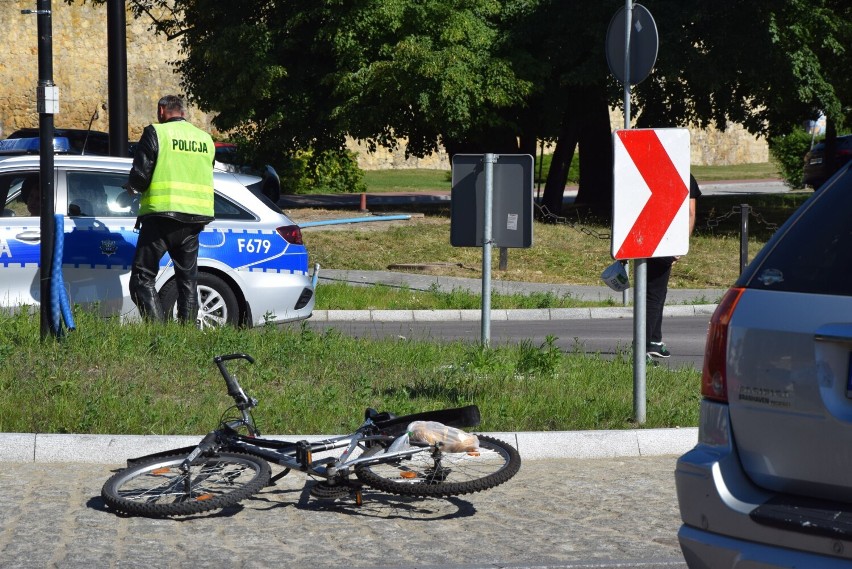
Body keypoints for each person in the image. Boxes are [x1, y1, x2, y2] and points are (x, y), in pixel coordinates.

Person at [125, 95, 215, 324]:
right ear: (183, 113)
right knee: (188, 282)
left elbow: (141, 176)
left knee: (141, 279)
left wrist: (132, 186)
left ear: (162, 110)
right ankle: (186, 335)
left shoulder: (156, 132)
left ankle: (157, 332)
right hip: (194, 219)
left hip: (162, 217)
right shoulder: (204, 139)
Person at [645, 174, 701, 359]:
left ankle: (654, 340)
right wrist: (681, 244)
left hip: (643, 232)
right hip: (667, 239)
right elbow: (690, 212)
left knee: (654, 292)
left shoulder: (650, 168)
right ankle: (643, 344)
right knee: (655, 294)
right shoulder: (685, 173)